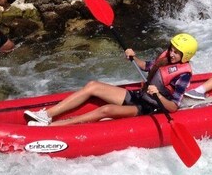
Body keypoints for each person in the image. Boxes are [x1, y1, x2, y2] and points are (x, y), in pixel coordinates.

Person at [24, 33, 198, 126]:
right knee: (93, 86)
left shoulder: (183, 75)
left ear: (186, 55)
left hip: (151, 108)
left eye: (176, 52)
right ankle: (46, 115)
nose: (172, 53)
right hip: (140, 96)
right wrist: (133, 57)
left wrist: (158, 95)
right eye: (172, 49)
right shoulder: (165, 57)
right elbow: (147, 66)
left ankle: (57, 127)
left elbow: (174, 107)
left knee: (106, 110)